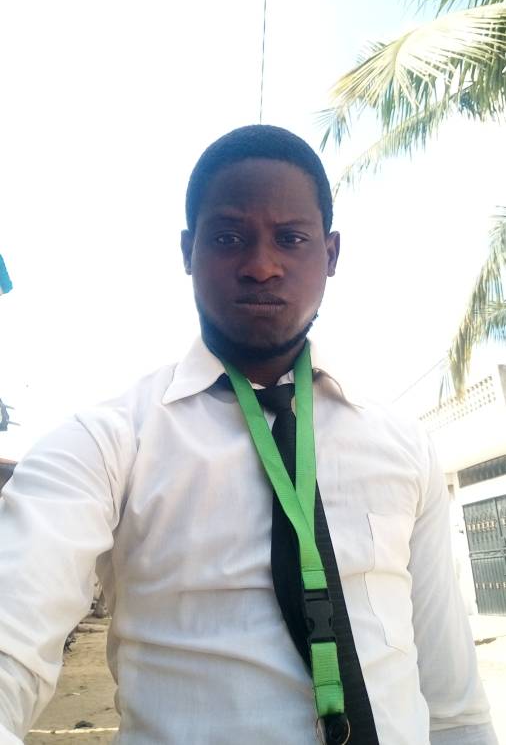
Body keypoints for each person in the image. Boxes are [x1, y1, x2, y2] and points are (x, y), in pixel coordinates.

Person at [0, 125, 497, 744]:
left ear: (331, 254)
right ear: (189, 251)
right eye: (228, 237)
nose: (262, 266)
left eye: (291, 239)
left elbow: (453, 704)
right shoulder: (107, 445)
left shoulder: (405, 447)